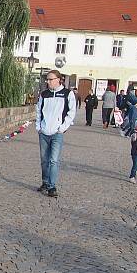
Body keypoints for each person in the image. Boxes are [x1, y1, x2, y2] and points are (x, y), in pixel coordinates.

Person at [36, 69, 76, 198]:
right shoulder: (44, 94)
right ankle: (45, 182)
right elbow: (38, 111)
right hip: (44, 131)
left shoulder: (67, 94)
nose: (48, 82)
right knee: (44, 160)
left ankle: (52, 186)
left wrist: (62, 128)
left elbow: (71, 112)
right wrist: (39, 127)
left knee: (53, 160)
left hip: (57, 132)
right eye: (47, 79)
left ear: (58, 79)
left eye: (50, 79)